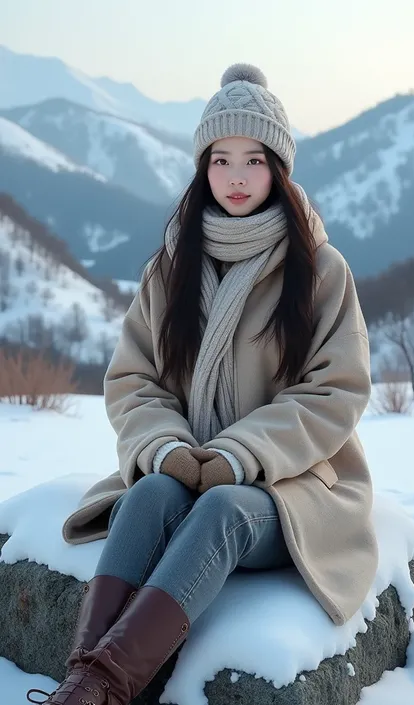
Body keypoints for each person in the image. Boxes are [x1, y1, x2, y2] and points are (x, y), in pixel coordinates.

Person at [27, 63, 378, 705]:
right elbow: (135, 379)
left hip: (290, 489)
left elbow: (337, 390)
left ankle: (104, 687)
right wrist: (166, 448)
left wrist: (239, 455)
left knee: (220, 509)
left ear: (278, 167)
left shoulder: (320, 270)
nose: (236, 177)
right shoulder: (172, 267)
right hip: (188, 469)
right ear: (201, 166)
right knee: (149, 492)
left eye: (253, 159)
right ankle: (81, 680)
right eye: (220, 159)